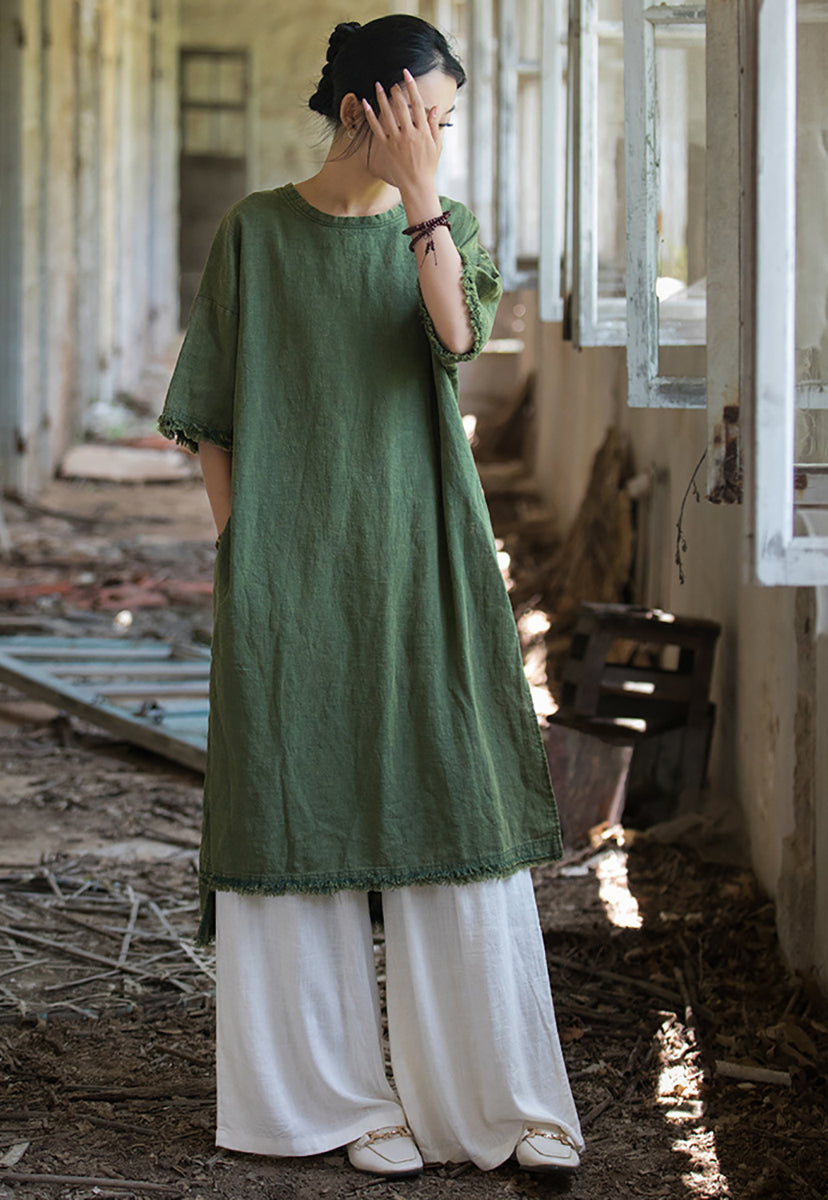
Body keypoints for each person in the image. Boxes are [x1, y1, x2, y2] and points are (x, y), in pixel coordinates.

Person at [157, 13, 583, 1179]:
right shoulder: (255, 233)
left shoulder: (443, 226)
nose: (438, 136)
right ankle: (332, 1102)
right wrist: (245, 552)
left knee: (457, 799)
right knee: (294, 805)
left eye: (445, 123)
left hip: (423, 547)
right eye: (424, 118)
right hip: (288, 568)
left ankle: (500, 1099)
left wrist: (422, 196)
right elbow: (213, 415)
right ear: (362, 110)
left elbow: (457, 336)